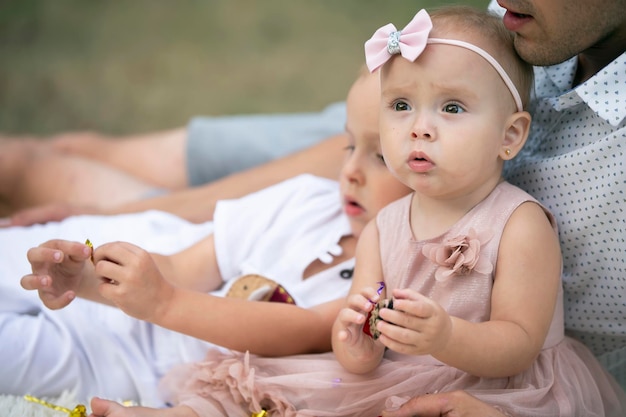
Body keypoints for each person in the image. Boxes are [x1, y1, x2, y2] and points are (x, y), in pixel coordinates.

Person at [82, 7, 626, 417]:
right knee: (275, 388)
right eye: (401, 106)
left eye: (452, 108)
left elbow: (519, 343)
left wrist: (445, 338)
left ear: (510, 136)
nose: (420, 127)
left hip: (504, 388)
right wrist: (354, 340)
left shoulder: (519, 223)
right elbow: (360, 353)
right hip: (400, 374)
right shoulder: (385, 226)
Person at [7, 67, 412, 405]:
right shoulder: (308, 198)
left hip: (125, 367)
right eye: (349, 145)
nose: (350, 171)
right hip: (144, 253)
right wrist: (85, 281)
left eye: (380, 157)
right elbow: (183, 266)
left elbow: (301, 329)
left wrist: (163, 304)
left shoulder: (391, 282)